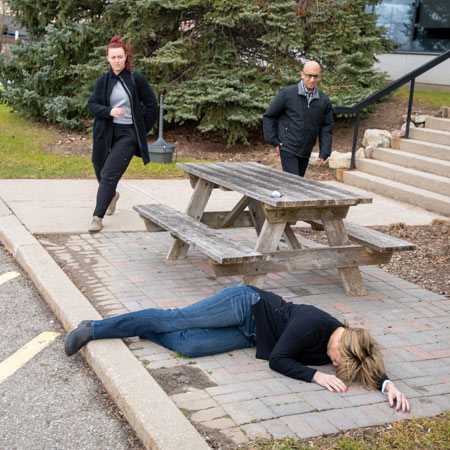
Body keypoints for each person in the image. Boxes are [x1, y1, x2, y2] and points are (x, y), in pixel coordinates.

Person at [65, 284, 410, 412]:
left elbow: (367, 360)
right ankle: (93, 328)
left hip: (251, 336)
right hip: (245, 305)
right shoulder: (311, 324)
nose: (335, 366)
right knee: (175, 319)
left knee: (191, 346)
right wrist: (314, 378)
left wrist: (387, 385)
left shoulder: (349, 342)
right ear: (340, 347)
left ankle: (145, 329)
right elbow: (278, 360)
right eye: (337, 363)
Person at [87, 35, 158, 233]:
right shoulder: (103, 81)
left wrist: (140, 130)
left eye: (120, 57)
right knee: (100, 170)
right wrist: (109, 111)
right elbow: (91, 105)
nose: (117, 61)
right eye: (113, 57)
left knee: (109, 175)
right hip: (105, 132)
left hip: (128, 134)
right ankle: (112, 196)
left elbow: (152, 106)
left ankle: (97, 217)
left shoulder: (136, 79)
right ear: (107, 58)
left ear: (126, 57)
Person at [263, 61, 333, 177]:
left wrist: (324, 152)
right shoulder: (287, 94)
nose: (312, 79)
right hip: (288, 146)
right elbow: (269, 116)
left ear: (319, 77)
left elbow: (326, 127)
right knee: (293, 182)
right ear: (302, 74)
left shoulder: (324, 100)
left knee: (297, 183)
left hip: (306, 149)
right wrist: (273, 140)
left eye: (315, 76)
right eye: (308, 75)